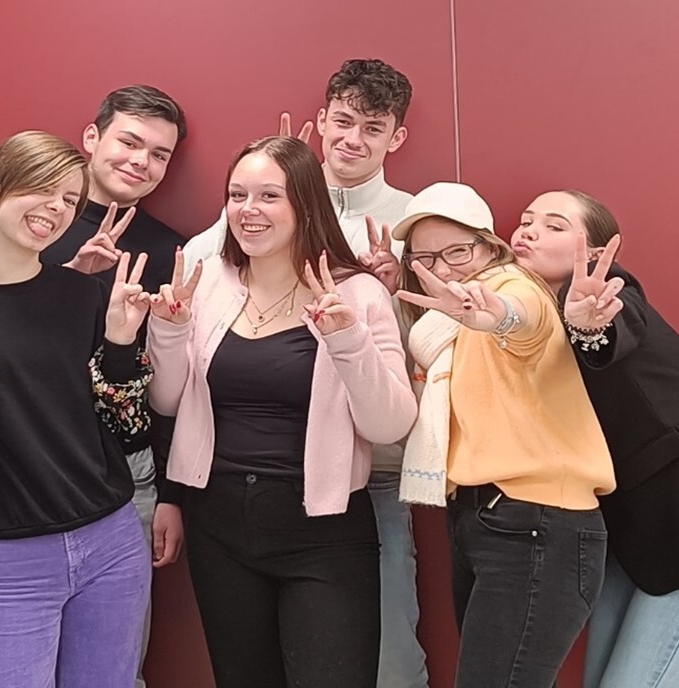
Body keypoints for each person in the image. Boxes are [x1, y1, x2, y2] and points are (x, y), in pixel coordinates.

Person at [184, 58, 429, 688]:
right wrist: (269, 178)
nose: (352, 139)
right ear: (321, 121)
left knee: (388, 661)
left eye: (372, 128)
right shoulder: (250, 217)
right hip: (237, 495)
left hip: (365, 476)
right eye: (342, 122)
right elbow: (208, 272)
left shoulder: (413, 223)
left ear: (395, 137)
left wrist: (391, 294)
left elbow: (438, 343)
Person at [0, 130, 153, 687]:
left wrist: (120, 346)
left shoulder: (83, 293)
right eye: (41, 188)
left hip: (111, 540)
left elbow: (128, 427)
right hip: (9, 554)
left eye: (69, 199)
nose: (56, 208)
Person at [392, 182, 615, 688]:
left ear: (492, 248)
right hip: (484, 519)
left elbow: (522, 318)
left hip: (538, 523)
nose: (444, 269)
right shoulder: (445, 332)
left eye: (457, 252)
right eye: (426, 257)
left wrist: (498, 316)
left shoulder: (515, 286)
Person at [42, 84, 188, 687]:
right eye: (129, 142)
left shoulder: (169, 250)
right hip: (30, 466)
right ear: (91, 138)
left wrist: (172, 492)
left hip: (128, 475)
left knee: (112, 670)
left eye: (159, 154)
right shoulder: (32, 223)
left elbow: (177, 383)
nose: (140, 161)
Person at [509, 190, 679, 688]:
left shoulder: (609, 291)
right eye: (526, 220)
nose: (530, 230)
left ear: (599, 251)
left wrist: (588, 327)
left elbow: (608, 332)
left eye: (555, 225)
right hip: (633, 534)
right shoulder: (529, 313)